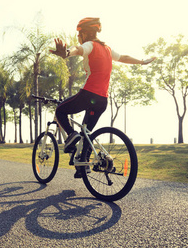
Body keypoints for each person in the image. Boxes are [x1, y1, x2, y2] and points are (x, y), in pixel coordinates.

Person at [50, 17, 156, 161]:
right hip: (102, 101)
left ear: (85, 34)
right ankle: (84, 165)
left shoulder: (90, 45)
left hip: (88, 95)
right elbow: (124, 57)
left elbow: (78, 49)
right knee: (86, 133)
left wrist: (67, 53)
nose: (78, 38)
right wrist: (142, 62)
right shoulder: (107, 49)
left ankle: (71, 134)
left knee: (60, 110)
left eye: (78, 35)